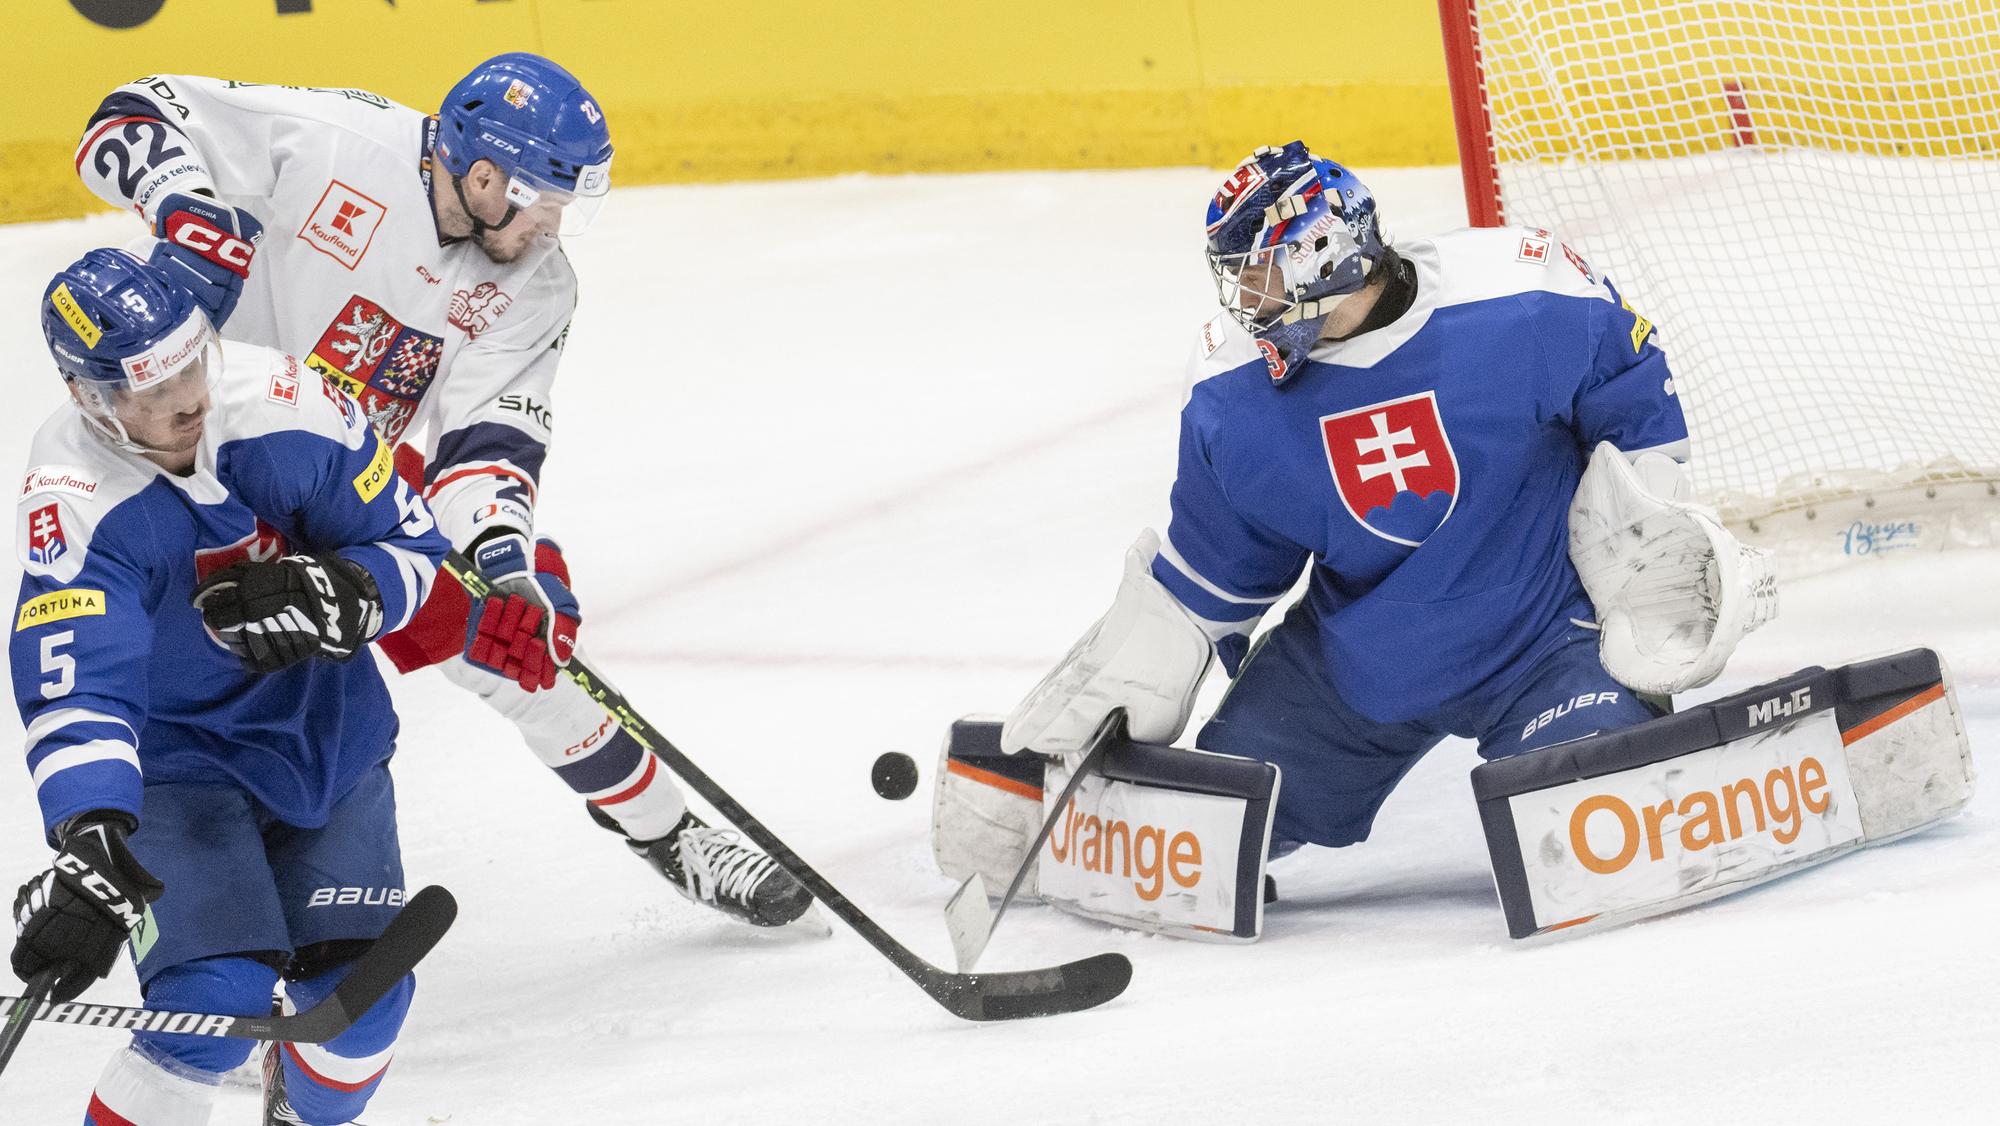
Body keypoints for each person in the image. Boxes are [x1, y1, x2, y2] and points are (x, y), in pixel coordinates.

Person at [73, 54, 811, 927]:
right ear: (486, 173)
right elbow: (125, 115)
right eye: (543, 199)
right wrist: (186, 210)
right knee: (191, 701)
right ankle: (200, 919)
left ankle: (666, 829)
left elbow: (486, 443)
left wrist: (500, 555)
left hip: (350, 484)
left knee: (521, 646)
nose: (551, 224)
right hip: (192, 468)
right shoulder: (335, 144)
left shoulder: (537, 284)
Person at [999, 142, 1774, 868]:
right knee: (1202, 836)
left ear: (1325, 254)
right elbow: (1220, 567)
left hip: (1544, 643)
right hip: (1357, 667)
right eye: (1237, 280)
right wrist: (1149, 654)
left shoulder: (1523, 295)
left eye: (1262, 276)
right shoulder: (1232, 393)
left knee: (1596, 822)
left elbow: (1634, 412)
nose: (1247, 303)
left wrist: (1651, 534)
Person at [9, 249, 452, 1125]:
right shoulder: (74, 495)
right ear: (88, 397)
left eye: (190, 361)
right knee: (207, 1012)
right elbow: (76, 682)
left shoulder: (289, 403)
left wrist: (349, 592)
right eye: (151, 387)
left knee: (364, 1001)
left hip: (323, 736)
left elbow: (415, 549)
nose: (187, 398)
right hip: (180, 773)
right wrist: (93, 832)